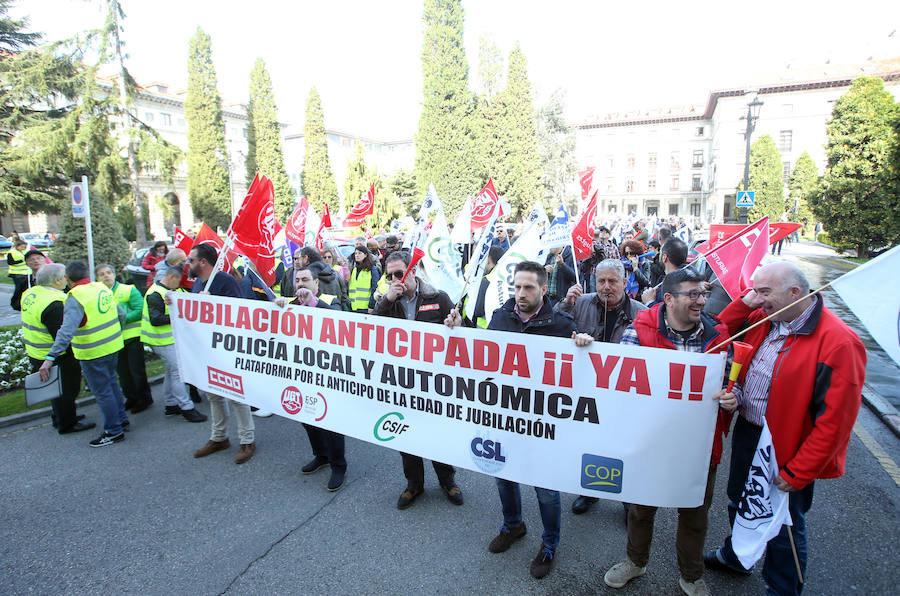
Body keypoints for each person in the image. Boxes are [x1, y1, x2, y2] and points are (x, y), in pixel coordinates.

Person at [703, 262, 866, 596]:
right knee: (740, 500)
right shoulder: (766, 317)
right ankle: (738, 555)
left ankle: (782, 588)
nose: (757, 299)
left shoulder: (840, 343)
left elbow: (836, 424)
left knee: (784, 525)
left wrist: (798, 472)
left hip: (787, 449)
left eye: (764, 292)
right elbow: (721, 332)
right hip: (750, 432)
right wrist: (746, 302)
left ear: (794, 293)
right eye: (755, 291)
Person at [603, 267, 735, 596]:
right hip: (652, 443)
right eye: (693, 295)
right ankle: (635, 562)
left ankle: (691, 575)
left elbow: (733, 384)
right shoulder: (639, 332)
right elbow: (619, 384)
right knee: (641, 509)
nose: (701, 301)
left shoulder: (721, 338)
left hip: (698, 449)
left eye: (703, 294)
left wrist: (734, 398)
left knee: (694, 515)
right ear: (668, 299)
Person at [473, 261, 585, 579]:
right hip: (505, 416)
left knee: (546, 490)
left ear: (543, 288)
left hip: (543, 422)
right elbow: (482, 355)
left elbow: (579, 376)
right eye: (517, 287)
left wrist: (583, 347)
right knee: (503, 476)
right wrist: (456, 330)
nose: (520, 294)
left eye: (528, 288)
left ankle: (549, 544)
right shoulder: (500, 317)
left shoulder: (562, 324)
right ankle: (513, 525)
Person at [373, 251, 464, 510]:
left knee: (436, 434)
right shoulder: (387, 301)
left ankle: (447, 481)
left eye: (399, 274)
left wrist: (458, 324)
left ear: (412, 271)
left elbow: (463, 334)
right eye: (389, 276)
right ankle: (414, 485)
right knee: (405, 434)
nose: (394, 280)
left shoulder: (438, 297)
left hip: (434, 382)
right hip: (402, 381)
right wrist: (385, 302)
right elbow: (372, 333)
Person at [555, 259, 647, 515]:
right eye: (601, 281)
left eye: (612, 281)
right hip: (587, 391)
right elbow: (556, 328)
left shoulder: (641, 312)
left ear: (624, 282)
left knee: (623, 448)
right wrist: (565, 304)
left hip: (623, 394)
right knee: (591, 444)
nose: (606, 287)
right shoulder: (581, 302)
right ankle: (590, 490)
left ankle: (628, 500)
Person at [38, 260, 130, 447]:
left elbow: (66, 331)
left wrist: (49, 358)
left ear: (67, 278)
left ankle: (113, 431)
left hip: (93, 352)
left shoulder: (76, 296)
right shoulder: (101, 287)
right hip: (113, 346)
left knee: (103, 392)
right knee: (112, 384)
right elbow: (121, 314)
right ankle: (121, 419)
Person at [275, 267, 346, 491]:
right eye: (297, 280)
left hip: (327, 372)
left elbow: (338, 321)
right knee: (307, 416)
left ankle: (338, 464)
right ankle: (321, 455)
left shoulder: (329, 300)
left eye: (305, 279)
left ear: (316, 282)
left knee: (331, 420)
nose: (301, 284)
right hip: (302, 372)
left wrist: (313, 303)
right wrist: (276, 309)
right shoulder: (291, 305)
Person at [188, 243, 256, 464]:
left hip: (227, 349)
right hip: (206, 349)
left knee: (236, 394)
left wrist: (212, 304)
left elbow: (238, 314)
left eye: (191, 260)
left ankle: (247, 440)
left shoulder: (225, 281)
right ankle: (219, 438)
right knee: (213, 394)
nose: (188, 264)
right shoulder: (198, 283)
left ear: (203, 262)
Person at [21, 263, 94, 434]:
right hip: (56, 355)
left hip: (36, 351)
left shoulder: (30, 293)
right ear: (56, 280)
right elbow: (62, 335)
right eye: (65, 276)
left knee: (54, 389)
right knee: (67, 389)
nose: (67, 279)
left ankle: (60, 416)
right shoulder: (56, 302)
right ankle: (67, 423)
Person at [142, 266, 207, 423]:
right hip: (161, 340)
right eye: (178, 280)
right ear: (171, 277)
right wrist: (178, 315)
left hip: (167, 340)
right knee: (178, 372)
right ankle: (186, 407)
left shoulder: (169, 291)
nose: (180, 284)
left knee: (172, 371)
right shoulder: (156, 294)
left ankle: (171, 404)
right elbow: (156, 319)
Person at [96, 264, 154, 414]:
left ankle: (144, 399)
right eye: (102, 274)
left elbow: (140, 309)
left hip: (131, 337)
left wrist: (122, 320)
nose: (106, 276)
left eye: (109, 272)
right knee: (122, 372)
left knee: (136, 370)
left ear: (114, 274)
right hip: (114, 341)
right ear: (97, 278)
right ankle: (131, 398)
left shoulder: (127, 289)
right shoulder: (97, 294)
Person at [641, 238, 688, 305]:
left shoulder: (669, 286)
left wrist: (650, 302)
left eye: (660, 253)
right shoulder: (691, 279)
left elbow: (665, 313)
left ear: (664, 257)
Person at [302, 246, 350, 311]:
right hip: (334, 310)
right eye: (324, 257)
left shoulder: (309, 276)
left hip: (318, 311)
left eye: (329, 257)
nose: (327, 259)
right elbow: (344, 294)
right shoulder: (336, 274)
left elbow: (344, 294)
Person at [347, 246, 380, 313]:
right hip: (353, 307)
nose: (357, 255)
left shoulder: (372, 269)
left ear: (365, 255)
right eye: (356, 253)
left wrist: (371, 306)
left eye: (359, 253)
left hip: (366, 308)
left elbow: (375, 288)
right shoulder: (354, 269)